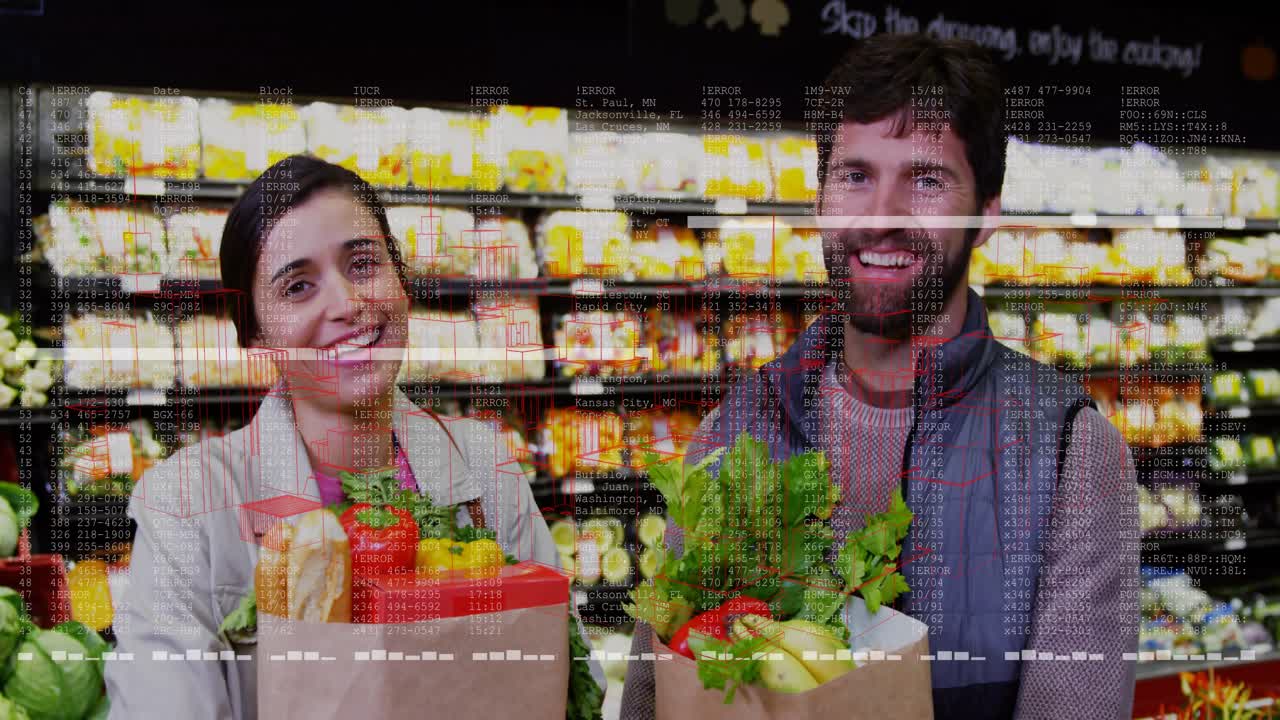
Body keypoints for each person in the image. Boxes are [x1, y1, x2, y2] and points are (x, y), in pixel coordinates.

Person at [621, 34, 1139, 720]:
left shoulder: (1071, 457)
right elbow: (653, 698)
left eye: (926, 179)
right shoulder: (733, 430)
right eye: (855, 175)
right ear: (820, 202)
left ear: (986, 214)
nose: (881, 215)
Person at [105, 155, 579, 718]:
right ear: (255, 335)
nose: (348, 304)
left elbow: (564, 675)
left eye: (362, 265)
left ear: (400, 278)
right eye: (298, 286)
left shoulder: (482, 464)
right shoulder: (186, 501)